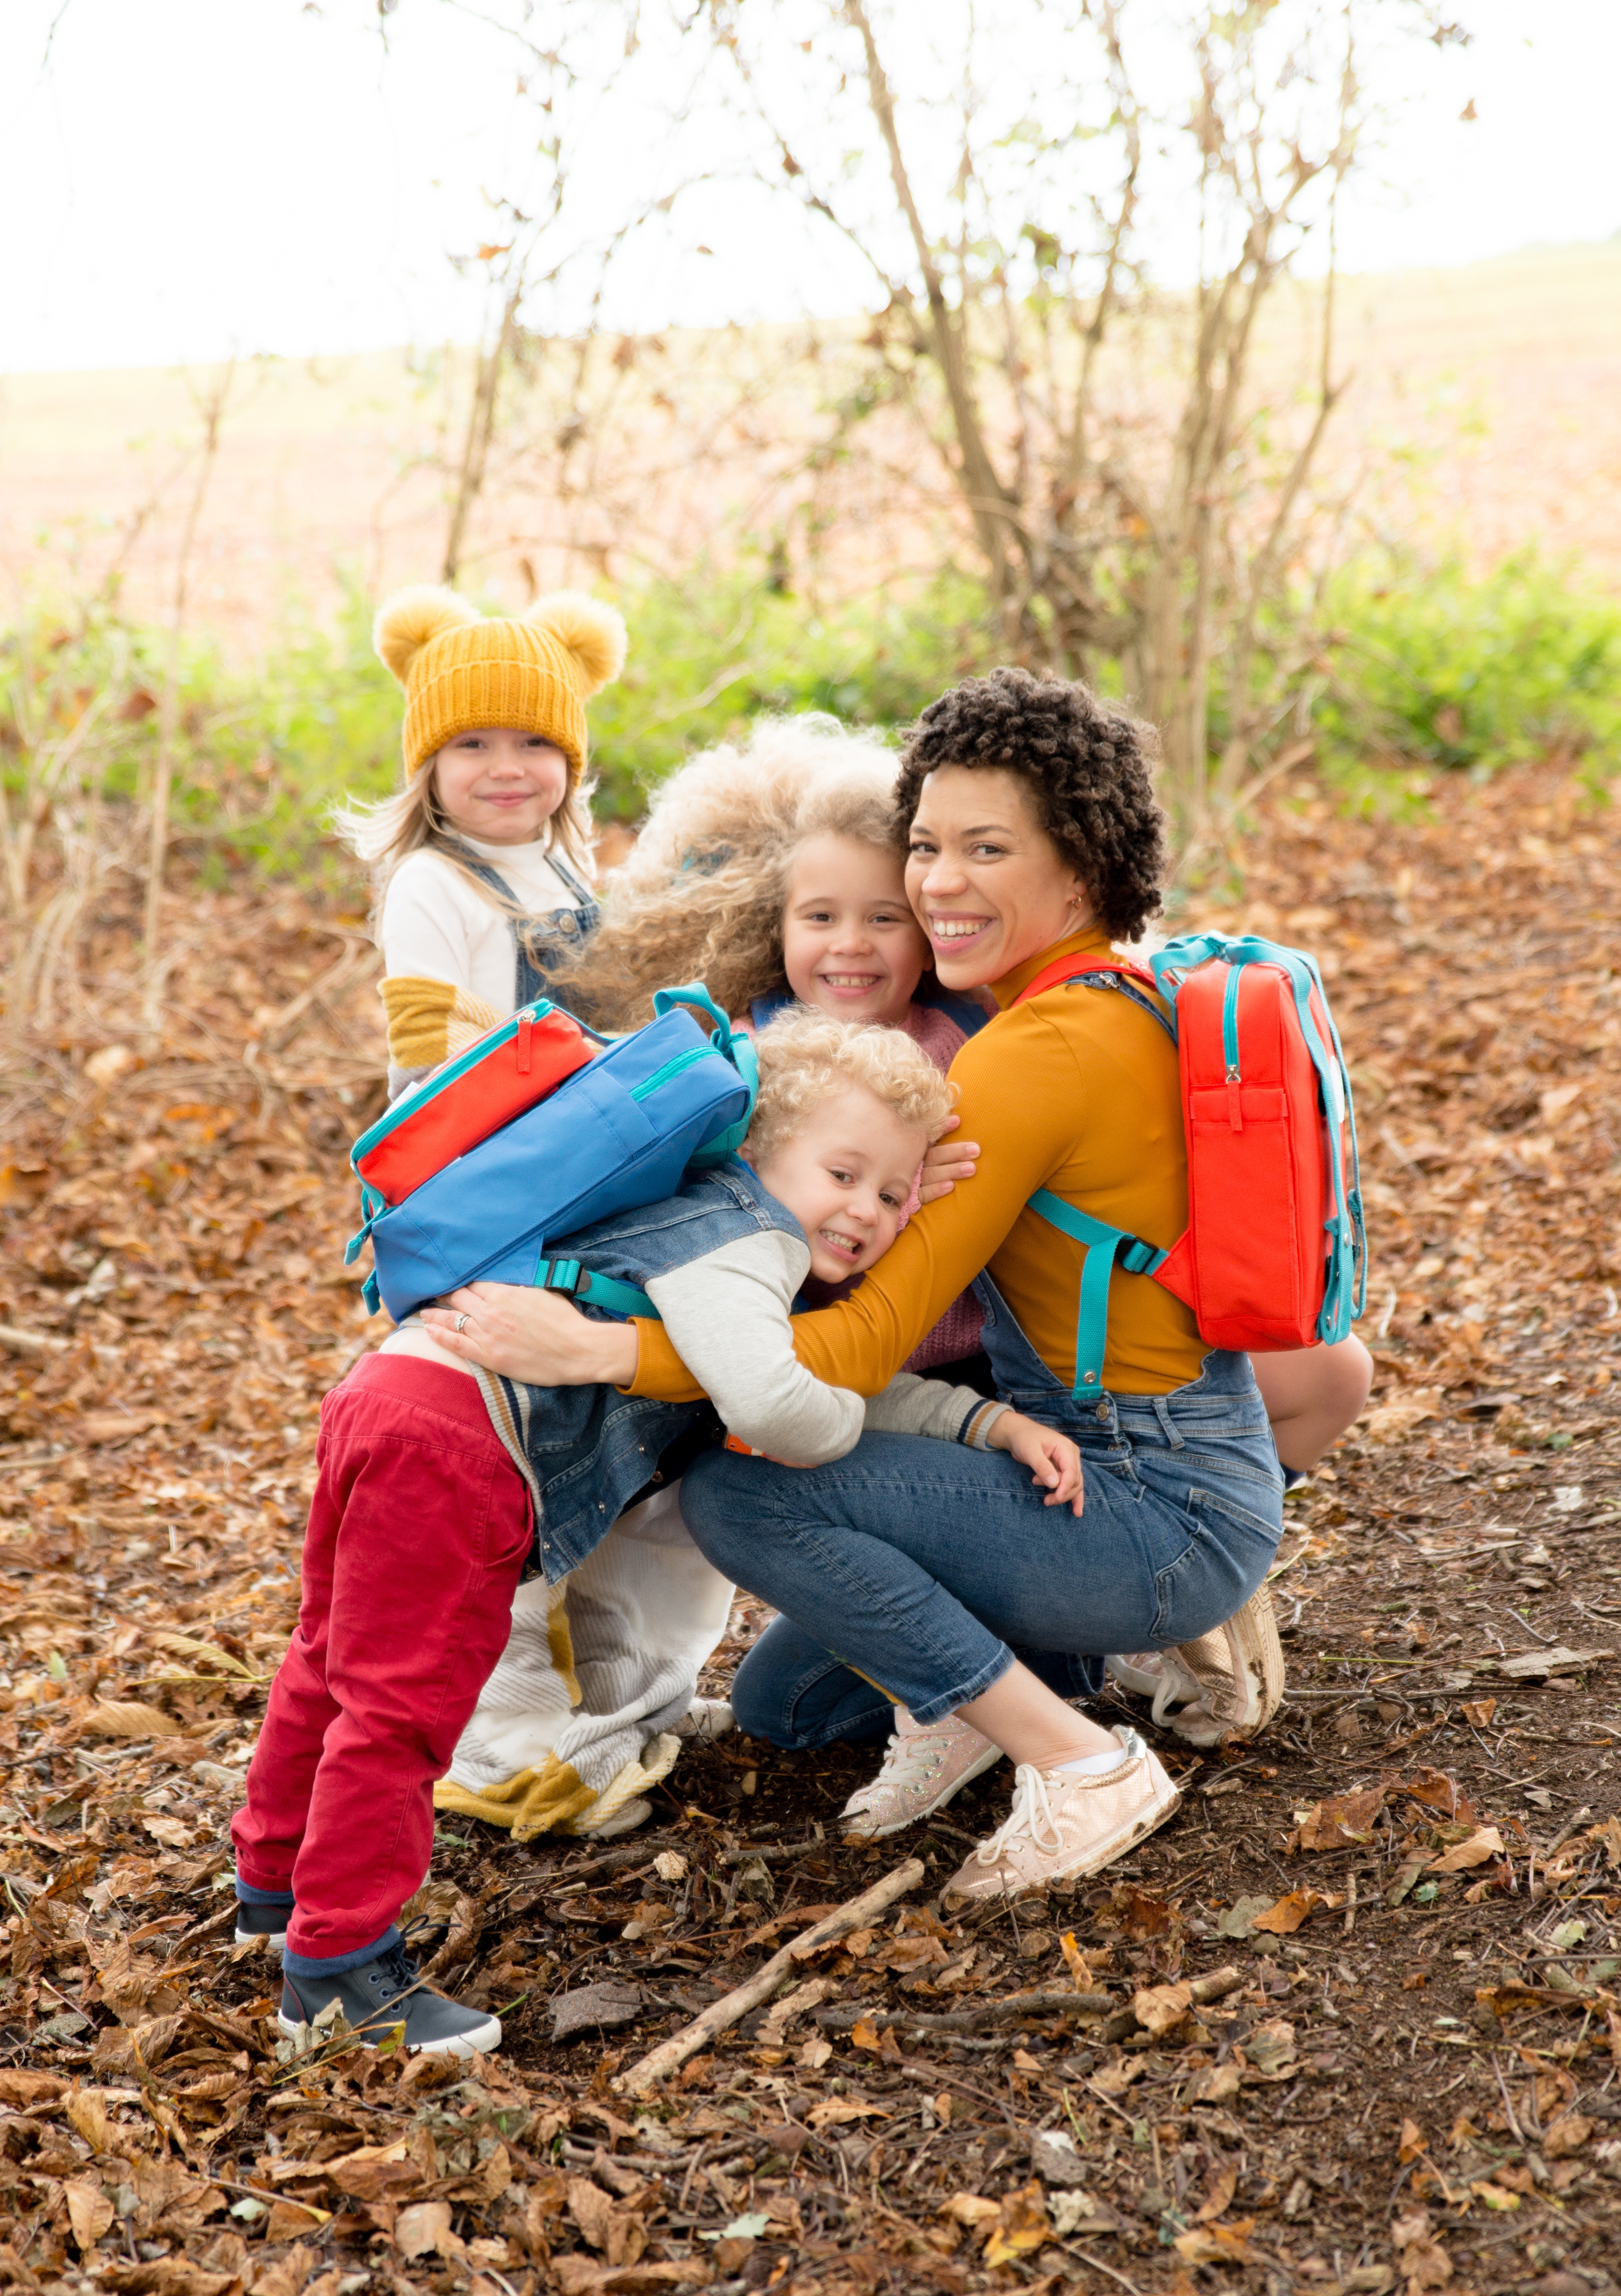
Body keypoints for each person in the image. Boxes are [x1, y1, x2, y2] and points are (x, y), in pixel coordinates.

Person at [422, 667, 1368, 1903]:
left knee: (744, 1498)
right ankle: (994, 1697)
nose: (938, 884)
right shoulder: (1093, 996)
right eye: (926, 845)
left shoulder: (1030, 1056)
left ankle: (1082, 1763)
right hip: (1139, 1460)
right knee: (786, 1713)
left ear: (1079, 866)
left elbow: (860, 1349)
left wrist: (606, 1355)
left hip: (1147, 1497)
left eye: (987, 848)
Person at [233, 1006, 1085, 2051]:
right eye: (842, 1172)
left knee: (331, 1659)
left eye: (894, 1191)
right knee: (404, 1706)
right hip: (463, 1445)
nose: (866, 1209)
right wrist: (851, 1423)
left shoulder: (707, 1224)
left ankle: (273, 1889)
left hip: (395, 1393)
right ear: (766, 1150)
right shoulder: (746, 1244)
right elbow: (781, 1407)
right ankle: (338, 1971)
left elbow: (815, 1374)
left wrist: (980, 1419)